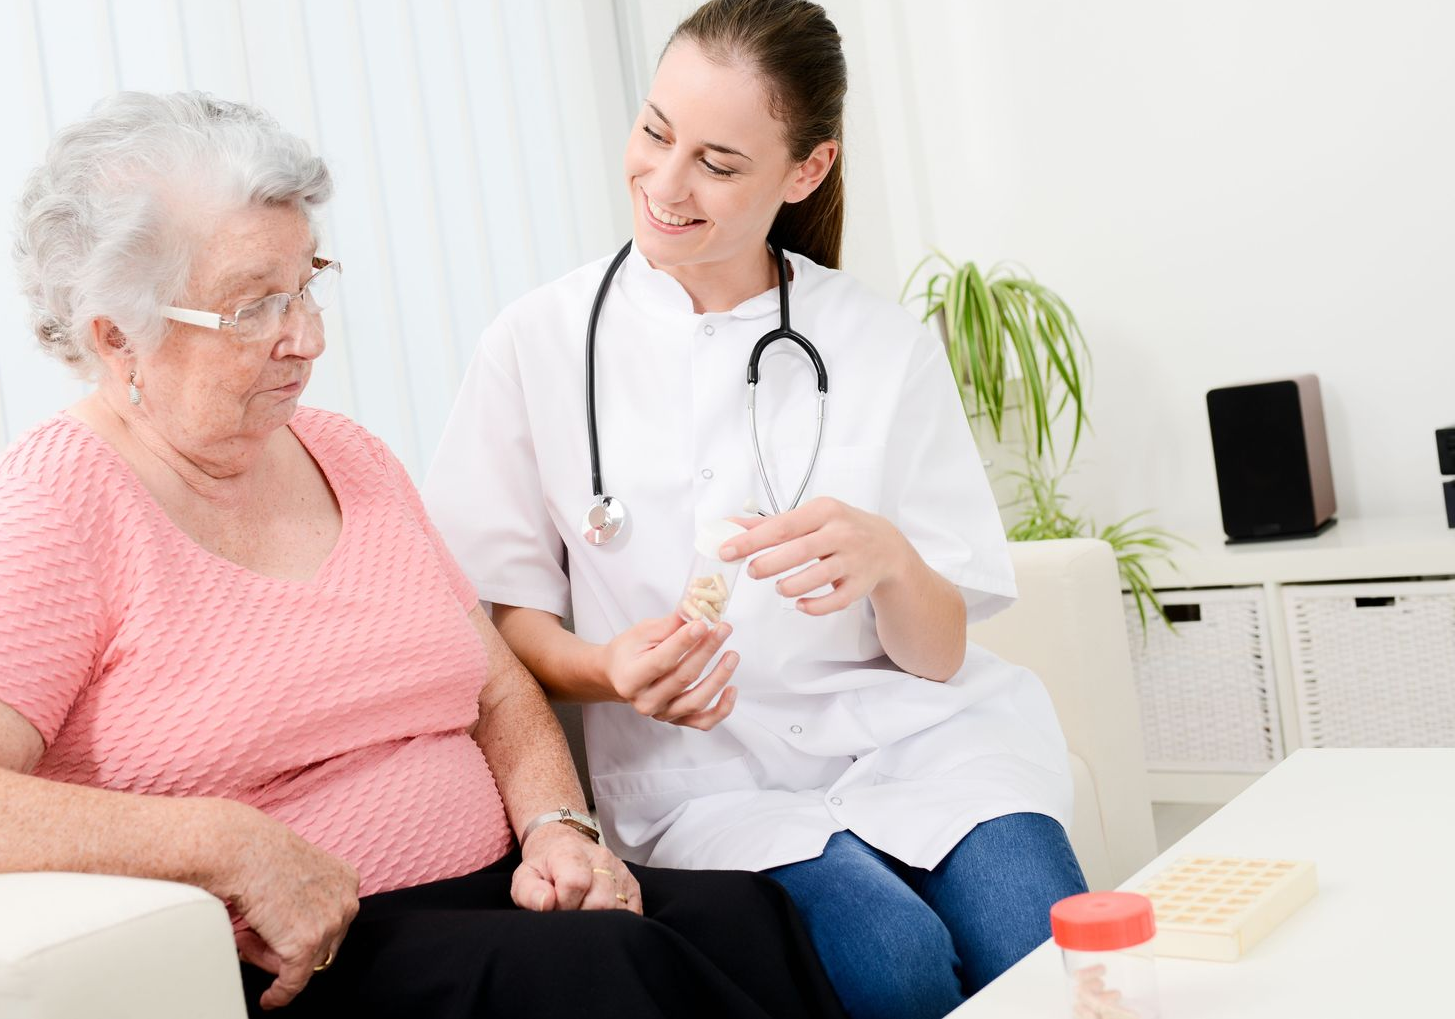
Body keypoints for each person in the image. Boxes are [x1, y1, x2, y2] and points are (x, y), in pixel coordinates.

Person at [0, 91, 842, 1019]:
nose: (307, 338)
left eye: (306, 284)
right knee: (605, 969)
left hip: (497, 896)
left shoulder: (348, 454)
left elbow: (500, 689)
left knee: (745, 916)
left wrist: (561, 825)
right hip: (319, 951)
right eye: (254, 306)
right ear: (117, 336)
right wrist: (223, 844)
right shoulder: (60, 501)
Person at [422, 2, 1089, 1017]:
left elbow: (941, 652)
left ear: (805, 171)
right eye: (654, 132)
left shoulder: (876, 342)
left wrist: (894, 562)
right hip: (705, 776)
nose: (665, 182)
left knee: (1050, 951)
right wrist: (604, 670)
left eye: (719, 163)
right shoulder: (535, 344)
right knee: (893, 959)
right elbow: (493, 617)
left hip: (924, 741)